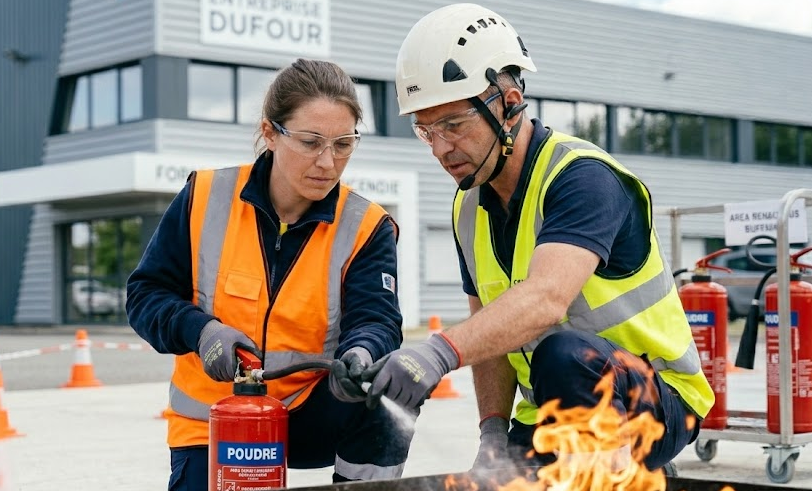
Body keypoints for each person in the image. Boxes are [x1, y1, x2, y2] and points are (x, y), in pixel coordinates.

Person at [362, 3, 713, 474]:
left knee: (565, 352)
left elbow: (545, 299)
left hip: (652, 397)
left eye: (453, 125)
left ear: (508, 103)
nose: (441, 148)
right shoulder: (469, 205)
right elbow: (491, 329)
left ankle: (627, 467)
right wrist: (491, 436)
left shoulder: (583, 178)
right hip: (551, 405)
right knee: (497, 480)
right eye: (426, 130)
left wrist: (438, 353)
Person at [126, 58, 413, 489]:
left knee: (390, 387)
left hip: (307, 413)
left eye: (343, 144)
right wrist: (202, 332)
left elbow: (377, 320)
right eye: (310, 142)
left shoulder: (367, 227)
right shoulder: (204, 197)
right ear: (269, 133)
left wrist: (363, 352)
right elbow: (146, 295)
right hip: (215, 419)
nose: (327, 162)